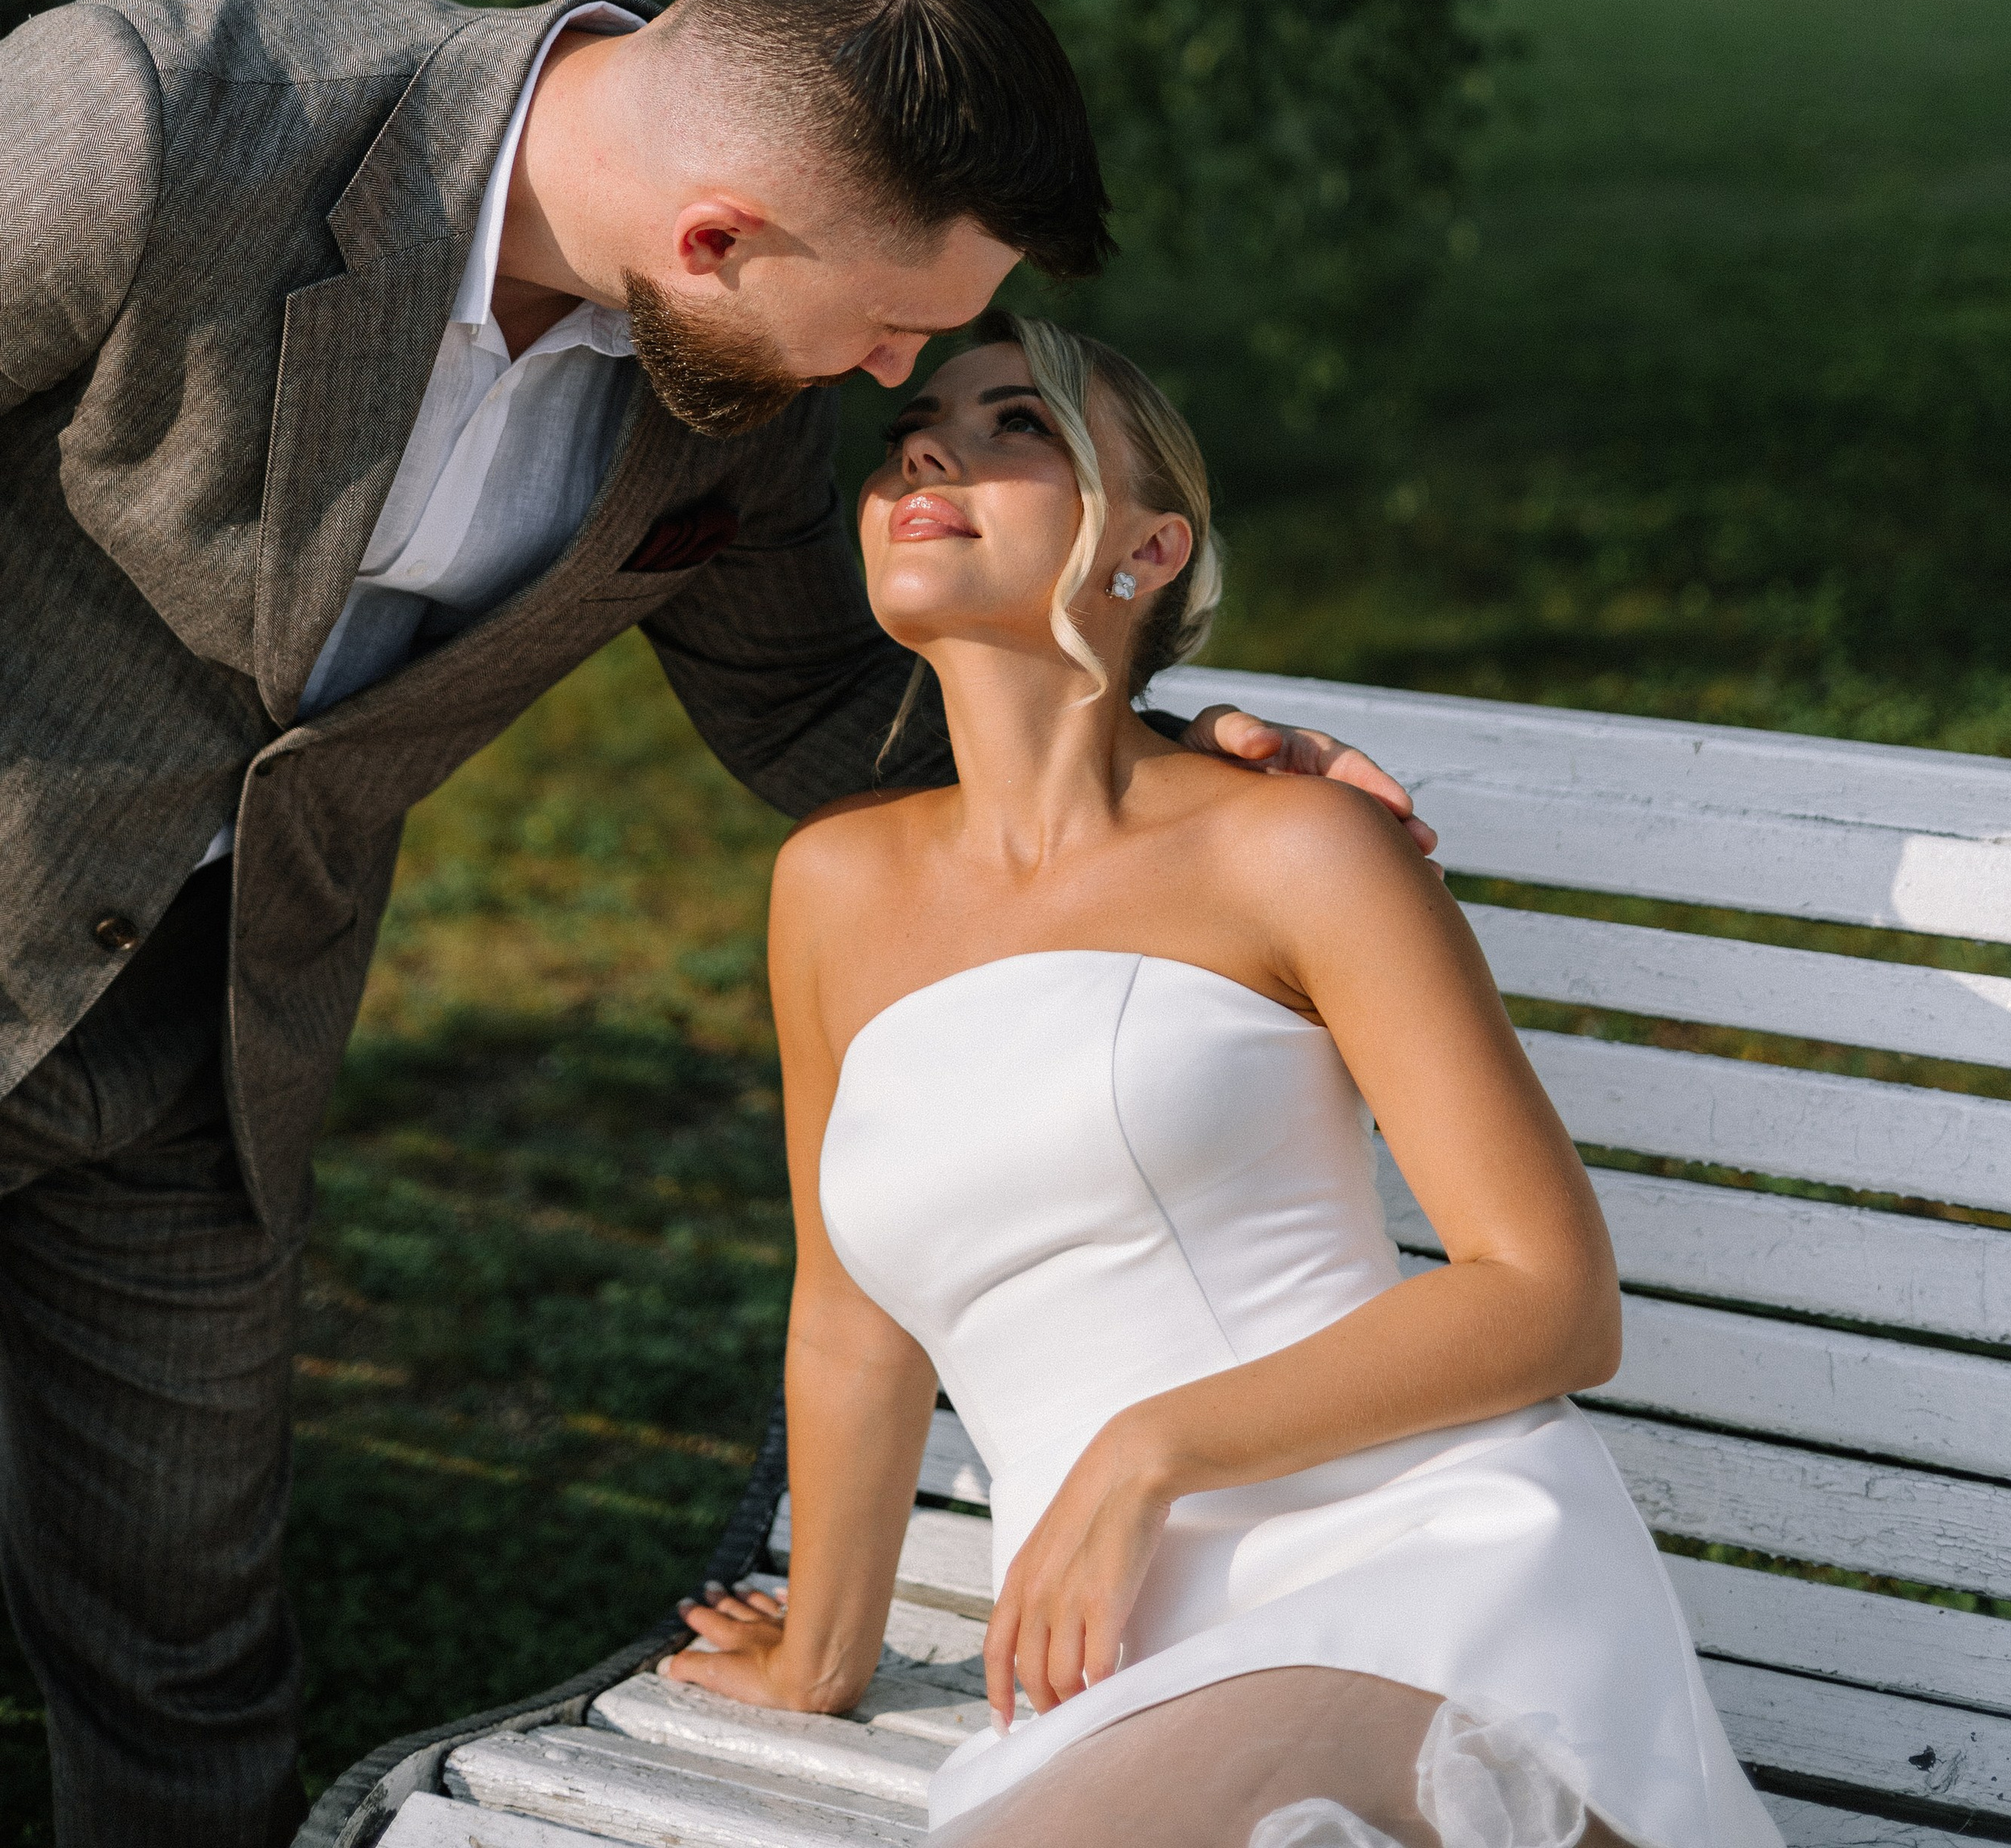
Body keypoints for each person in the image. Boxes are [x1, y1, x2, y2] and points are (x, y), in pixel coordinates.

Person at [0, 0, 1414, 1848]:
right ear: (714, 234)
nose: (894, 376)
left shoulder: (731, 391)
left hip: (214, 1053)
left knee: (181, 1656)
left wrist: (1169, 769)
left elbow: (814, 716)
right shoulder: (150, 124)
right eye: (894, 323)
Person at [664, 311, 1782, 1848]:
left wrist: (1148, 1453)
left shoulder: (1298, 846)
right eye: (913, 430)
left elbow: (1548, 1297)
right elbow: (853, 1322)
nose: (926, 450)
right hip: (1101, 1651)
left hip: (1413, 1560)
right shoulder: (833, 888)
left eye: (1021, 427)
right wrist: (818, 1656)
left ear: (1149, 548)